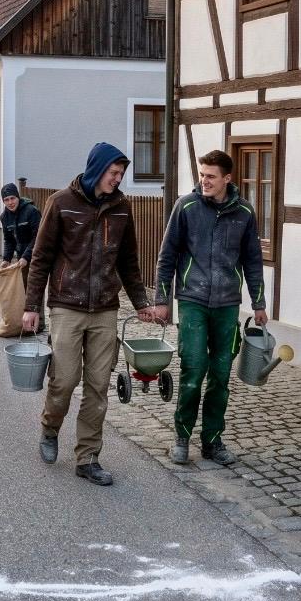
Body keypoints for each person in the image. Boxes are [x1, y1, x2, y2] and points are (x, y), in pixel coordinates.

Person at [22, 142, 159, 486]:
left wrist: (141, 303)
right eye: (113, 173)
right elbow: (40, 259)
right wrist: (31, 308)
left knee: (98, 386)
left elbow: (128, 262)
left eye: (121, 174)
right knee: (64, 380)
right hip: (66, 305)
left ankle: (88, 457)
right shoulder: (61, 203)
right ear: (97, 169)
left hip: (105, 309)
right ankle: (50, 428)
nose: (118, 179)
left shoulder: (122, 208)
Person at [153, 149, 267, 467]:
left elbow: (253, 260)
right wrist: (162, 300)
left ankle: (212, 441)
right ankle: (181, 437)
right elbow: (167, 256)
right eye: (202, 174)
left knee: (220, 376)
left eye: (211, 176)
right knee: (193, 370)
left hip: (228, 305)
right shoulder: (186, 207)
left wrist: (258, 303)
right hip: (192, 301)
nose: (204, 180)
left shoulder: (244, 212)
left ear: (227, 179)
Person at [0, 183, 42, 331]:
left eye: (12, 198)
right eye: (6, 200)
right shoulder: (4, 216)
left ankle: (38, 324)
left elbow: (38, 237)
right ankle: (22, 322)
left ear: (18, 197)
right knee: (21, 290)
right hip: (21, 258)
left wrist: (26, 257)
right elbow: (9, 240)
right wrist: (6, 259)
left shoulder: (31, 211)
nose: (10, 202)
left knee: (34, 288)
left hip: (36, 256)